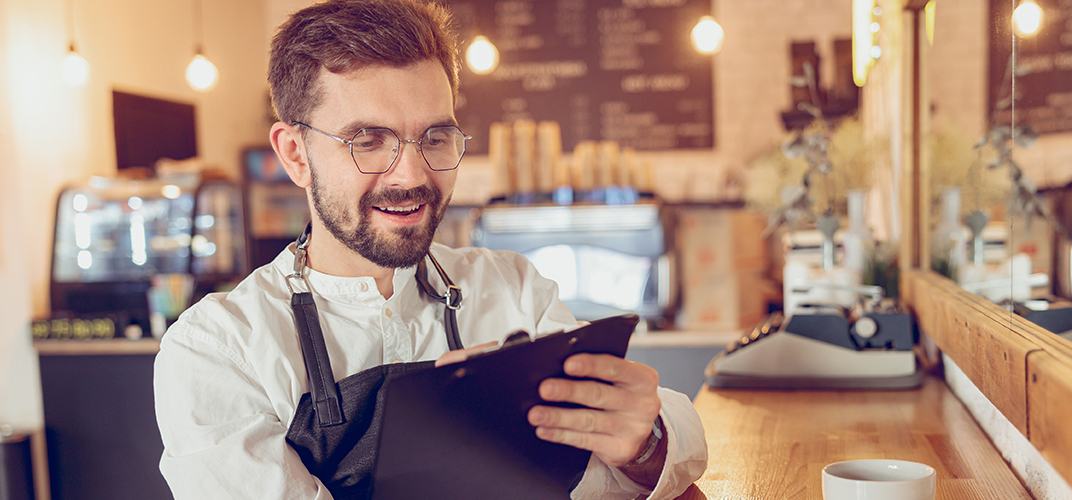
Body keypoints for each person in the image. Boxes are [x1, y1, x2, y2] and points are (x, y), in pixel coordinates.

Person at [152, 1, 707, 498]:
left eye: (435, 137)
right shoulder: (217, 350)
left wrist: (644, 440)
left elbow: (616, 476)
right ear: (295, 154)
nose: (412, 175)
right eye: (368, 141)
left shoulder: (514, 290)